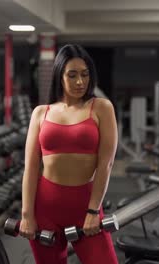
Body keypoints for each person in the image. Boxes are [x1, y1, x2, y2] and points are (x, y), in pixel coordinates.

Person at [19, 44, 119, 264]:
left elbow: (106, 163)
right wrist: (27, 215)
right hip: (44, 208)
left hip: (85, 206)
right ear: (59, 76)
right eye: (72, 75)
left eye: (85, 75)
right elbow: (31, 167)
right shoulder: (40, 113)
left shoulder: (101, 108)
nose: (80, 82)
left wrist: (93, 210)